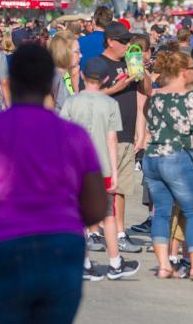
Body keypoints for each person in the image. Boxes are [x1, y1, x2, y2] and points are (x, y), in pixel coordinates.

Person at [0, 44, 107, 323]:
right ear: (51, 84)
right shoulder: (74, 136)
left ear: (9, 82)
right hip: (60, 249)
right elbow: (96, 208)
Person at [141, 50, 193, 281]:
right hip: (177, 156)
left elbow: (149, 123)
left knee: (162, 213)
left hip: (152, 157)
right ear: (184, 71)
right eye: (192, 68)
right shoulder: (188, 97)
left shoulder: (155, 96)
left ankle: (164, 265)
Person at [60, 57, 139, 281]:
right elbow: (112, 139)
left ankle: (84, 262)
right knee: (108, 216)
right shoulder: (110, 104)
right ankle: (115, 262)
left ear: (83, 76)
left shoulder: (72, 102)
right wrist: (114, 172)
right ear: (105, 80)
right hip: (102, 168)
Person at [88, 21, 145, 254]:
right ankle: (93, 231)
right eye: (123, 41)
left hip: (126, 133)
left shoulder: (128, 63)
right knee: (100, 185)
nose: (127, 45)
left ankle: (120, 232)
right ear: (110, 41)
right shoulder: (96, 64)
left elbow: (145, 92)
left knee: (121, 187)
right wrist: (117, 87)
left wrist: (142, 71)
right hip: (103, 133)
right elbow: (89, 95)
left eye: (128, 41)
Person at [47, 30, 81, 109]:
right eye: (77, 52)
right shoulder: (55, 78)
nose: (80, 55)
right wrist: (75, 80)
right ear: (64, 52)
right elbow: (70, 110)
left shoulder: (55, 74)